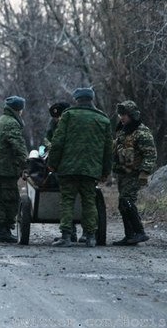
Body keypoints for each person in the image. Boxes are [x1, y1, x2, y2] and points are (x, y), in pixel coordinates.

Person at [47, 88, 112, 247]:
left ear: (76, 99)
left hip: (68, 168)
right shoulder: (103, 119)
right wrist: (105, 172)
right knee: (89, 201)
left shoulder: (68, 116)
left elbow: (57, 142)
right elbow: (108, 149)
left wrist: (52, 164)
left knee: (67, 200)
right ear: (91, 99)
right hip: (91, 169)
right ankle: (90, 237)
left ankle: (66, 236)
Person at [112, 100, 157, 245]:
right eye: (120, 115)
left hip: (135, 173)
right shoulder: (123, 131)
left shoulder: (142, 132)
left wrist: (144, 173)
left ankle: (140, 232)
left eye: (124, 115)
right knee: (123, 203)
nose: (122, 117)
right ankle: (130, 235)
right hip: (123, 173)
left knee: (127, 200)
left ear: (132, 115)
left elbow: (150, 154)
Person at [0, 96, 28, 243]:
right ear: (19, 109)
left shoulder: (0, 121)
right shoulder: (11, 123)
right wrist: (26, 165)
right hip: (5, 170)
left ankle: (1, 231)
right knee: (11, 200)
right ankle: (4, 230)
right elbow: (18, 146)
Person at [44, 101, 83, 244]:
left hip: (78, 161)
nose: (57, 120)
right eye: (55, 118)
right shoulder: (53, 123)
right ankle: (70, 232)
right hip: (63, 164)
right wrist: (50, 148)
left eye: (59, 116)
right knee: (67, 197)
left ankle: (86, 232)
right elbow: (48, 138)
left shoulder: (76, 120)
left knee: (84, 196)